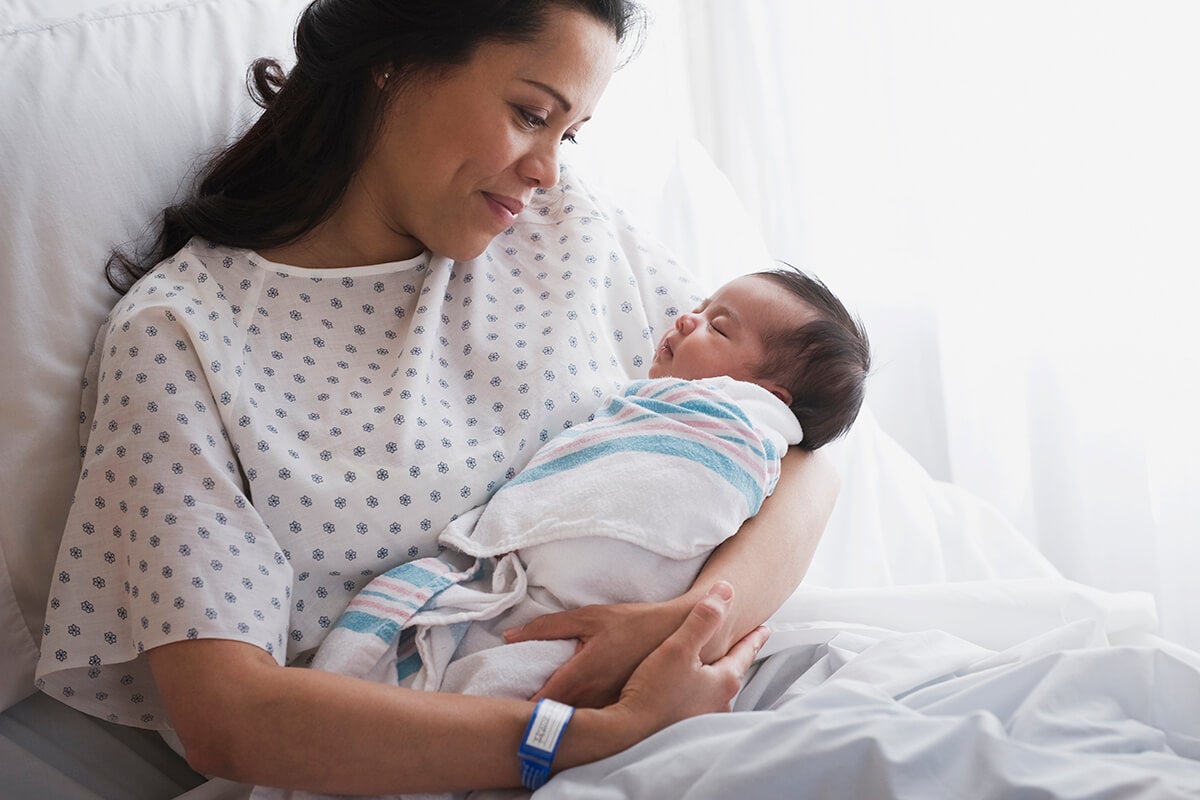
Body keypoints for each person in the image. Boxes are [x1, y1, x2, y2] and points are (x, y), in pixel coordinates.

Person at [34, 1, 840, 795]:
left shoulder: (566, 227)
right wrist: (593, 734)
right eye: (530, 113)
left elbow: (796, 452)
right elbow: (228, 712)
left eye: (569, 134)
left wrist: (688, 625)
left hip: (711, 690)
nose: (548, 169)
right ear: (395, 62)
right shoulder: (184, 337)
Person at [298, 267, 869, 727]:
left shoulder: (733, 428)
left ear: (765, 396)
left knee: (505, 687)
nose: (685, 318)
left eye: (718, 328)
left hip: (574, 614)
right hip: (523, 608)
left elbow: (667, 510)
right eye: (700, 308)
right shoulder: (657, 407)